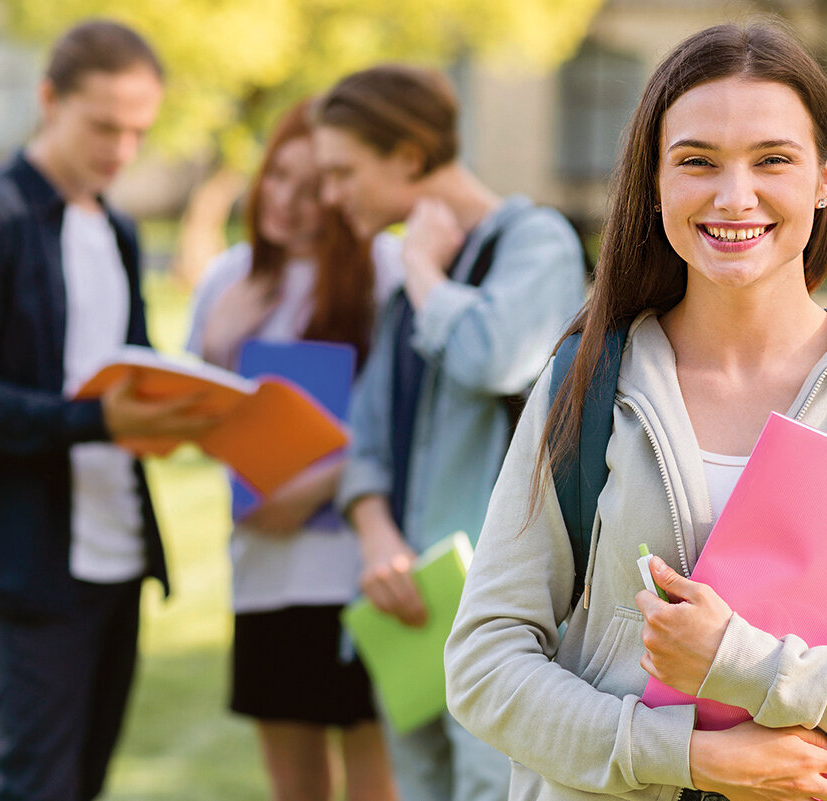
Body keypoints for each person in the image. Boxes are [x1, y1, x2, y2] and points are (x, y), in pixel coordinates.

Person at [444, 23, 827, 801]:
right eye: (697, 162)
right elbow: (485, 663)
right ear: (654, 183)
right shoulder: (586, 384)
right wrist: (683, 754)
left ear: (825, 176)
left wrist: (747, 666)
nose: (734, 196)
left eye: (772, 159)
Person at [0, 19, 217, 801]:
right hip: (26, 555)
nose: (121, 150)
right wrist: (98, 423)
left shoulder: (115, 226)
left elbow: (131, 367)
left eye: (139, 132)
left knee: (85, 780)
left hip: (118, 549)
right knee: (37, 784)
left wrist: (184, 410)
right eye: (104, 125)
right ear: (48, 100)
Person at [312, 65, 587, 801]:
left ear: (406, 156)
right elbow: (363, 436)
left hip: (501, 611)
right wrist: (376, 537)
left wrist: (424, 271)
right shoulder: (410, 281)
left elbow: (497, 356)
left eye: (343, 172)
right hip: (407, 606)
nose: (332, 196)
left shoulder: (535, 240)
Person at [185, 98, 400, 801]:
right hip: (264, 568)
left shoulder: (386, 272)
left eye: (314, 186)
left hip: (357, 570)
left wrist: (312, 487)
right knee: (293, 785)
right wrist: (220, 336)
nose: (289, 201)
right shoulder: (230, 276)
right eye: (277, 177)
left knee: (377, 777)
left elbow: (404, 426)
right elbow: (193, 412)